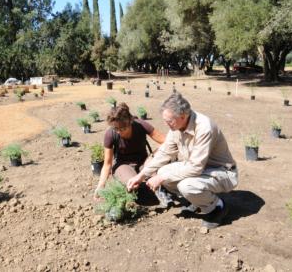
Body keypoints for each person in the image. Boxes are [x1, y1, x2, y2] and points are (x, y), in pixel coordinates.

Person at [127, 92, 238, 229]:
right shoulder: (177, 127)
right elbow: (164, 153)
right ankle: (198, 201)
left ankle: (217, 207)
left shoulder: (204, 128)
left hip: (222, 172)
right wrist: (141, 175)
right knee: (162, 170)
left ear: (183, 116)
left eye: (169, 121)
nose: (166, 124)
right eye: (165, 120)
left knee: (186, 185)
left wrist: (161, 177)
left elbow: (195, 168)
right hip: (202, 169)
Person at [94, 103, 166, 199]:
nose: (119, 132)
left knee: (160, 173)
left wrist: (155, 155)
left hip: (144, 162)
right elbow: (107, 164)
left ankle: (159, 189)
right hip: (123, 164)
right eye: (116, 129)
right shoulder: (110, 134)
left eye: (123, 128)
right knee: (133, 185)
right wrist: (100, 185)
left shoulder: (140, 125)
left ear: (130, 121)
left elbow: (166, 142)